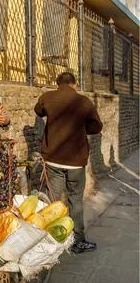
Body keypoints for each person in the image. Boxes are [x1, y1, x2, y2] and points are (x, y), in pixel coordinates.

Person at [34, 72, 103, 254]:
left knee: (54, 201)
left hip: (53, 160)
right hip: (75, 162)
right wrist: (82, 128)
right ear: (74, 84)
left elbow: (38, 111)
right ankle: (77, 241)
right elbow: (97, 126)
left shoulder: (47, 97)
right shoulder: (84, 102)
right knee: (75, 201)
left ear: (57, 84)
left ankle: (52, 240)